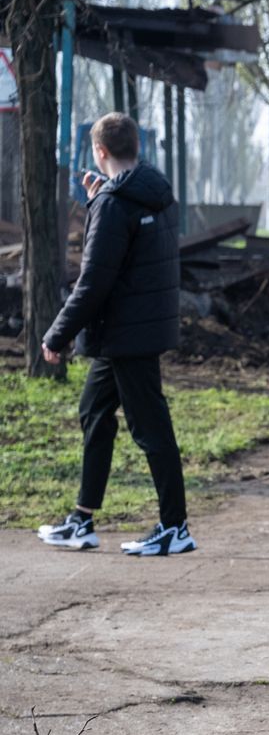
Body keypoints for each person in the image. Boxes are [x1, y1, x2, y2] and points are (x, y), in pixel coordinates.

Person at [35, 112, 187, 557]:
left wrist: (56, 335)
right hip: (132, 329)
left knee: (151, 428)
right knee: (94, 413)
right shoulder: (154, 193)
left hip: (126, 333)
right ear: (135, 147)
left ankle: (175, 527)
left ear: (99, 152)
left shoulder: (114, 204)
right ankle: (82, 520)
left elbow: (94, 281)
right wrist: (99, 201)